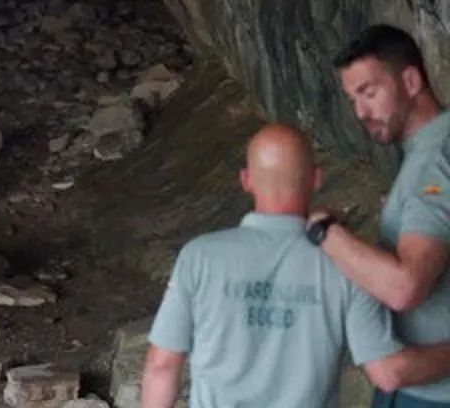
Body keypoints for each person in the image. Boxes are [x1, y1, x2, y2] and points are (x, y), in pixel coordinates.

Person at [142, 123, 450, 408]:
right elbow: (388, 372)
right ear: (317, 178)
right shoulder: (349, 266)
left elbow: (162, 365)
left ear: (245, 180)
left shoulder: (199, 258)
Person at [309, 24, 450, 407]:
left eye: (369, 93)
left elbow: (406, 287)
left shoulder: (434, 164)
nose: (361, 112)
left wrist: (325, 232)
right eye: (352, 99)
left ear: (410, 80)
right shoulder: (427, 154)